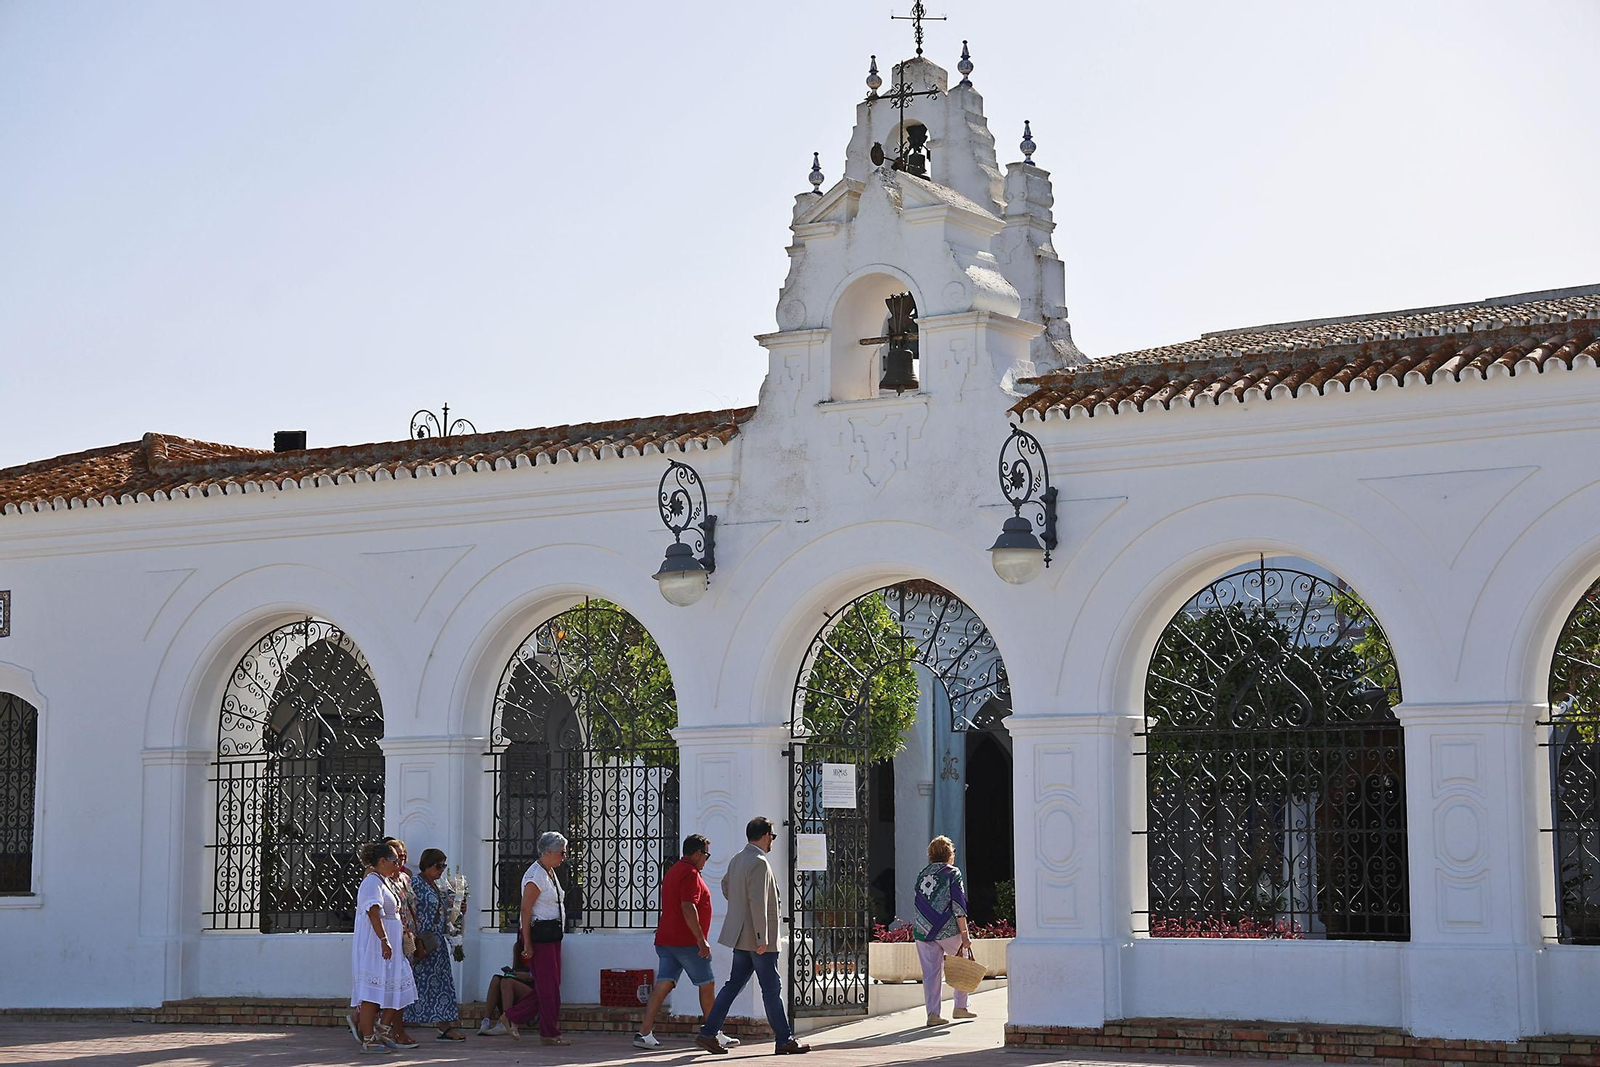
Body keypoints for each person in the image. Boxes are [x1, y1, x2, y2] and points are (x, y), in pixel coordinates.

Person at [695, 817, 809, 1056]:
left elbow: (726, 887)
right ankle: (784, 1038)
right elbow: (758, 901)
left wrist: (740, 911)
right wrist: (761, 937)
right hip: (759, 940)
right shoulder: (759, 862)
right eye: (773, 837)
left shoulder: (738, 859)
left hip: (741, 937)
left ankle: (708, 1033)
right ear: (766, 835)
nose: (773, 842)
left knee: (733, 985)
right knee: (771, 988)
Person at [634, 834, 739, 1050]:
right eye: (706, 855)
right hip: (687, 942)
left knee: (664, 983)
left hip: (666, 940)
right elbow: (688, 907)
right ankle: (712, 1033)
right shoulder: (690, 874)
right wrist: (701, 940)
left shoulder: (674, 870)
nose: (706, 860)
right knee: (707, 984)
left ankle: (644, 1032)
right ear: (699, 853)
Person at [347, 840, 418, 1054]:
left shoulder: (385, 881)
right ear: (381, 861)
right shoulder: (372, 882)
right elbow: (373, 912)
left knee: (401, 985)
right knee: (372, 992)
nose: (398, 864)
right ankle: (368, 1039)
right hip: (376, 947)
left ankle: (384, 1028)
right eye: (394, 861)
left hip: (392, 947)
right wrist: (384, 940)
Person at [505, 830, 572, 1045]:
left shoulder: (549, 872)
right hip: (540, 937)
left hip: (552, 936)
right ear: (549, 852)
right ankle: (547, 1032)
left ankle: (519, 1020)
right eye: (562, 852)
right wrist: (528, 943)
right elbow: (525, 910)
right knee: (547, 986)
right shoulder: (536, 876)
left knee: (551, 985)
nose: (564, 856)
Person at [912, 835, 976, 1027]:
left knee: (931, 974)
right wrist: (965, 933)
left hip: (923, 930)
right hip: (947, 929)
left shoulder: (922, 874)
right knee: (961, 962)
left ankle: (933, 1014)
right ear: (949, 854)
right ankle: (960, 1007)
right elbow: (958, 904)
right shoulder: (952, 873)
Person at [403, 848, 465, 1040]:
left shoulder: (435, 886)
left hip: (436, 943)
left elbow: (442, 913)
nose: (441, 870)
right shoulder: (417, 884)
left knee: (442, 986)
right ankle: (388, 1024)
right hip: (424, 942)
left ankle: (444, 1026)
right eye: (438, 866)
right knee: (413, 986)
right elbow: (409, 910)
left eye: (443, 866)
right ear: (427, 864)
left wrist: (457, 907)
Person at [382, 837, 422, 1047]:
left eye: (403, 856)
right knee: (389, 985)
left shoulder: (405, 878)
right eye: (397, 857)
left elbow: (412, 907)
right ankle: (386, 1029)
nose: (400, 861)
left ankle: (393, 1029)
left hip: (406, 938)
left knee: (401, 986)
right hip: (390, 938)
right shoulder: (380, 879)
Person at [478, 938, 535, 1037]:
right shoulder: (518, 947)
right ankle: (486, 1021)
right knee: (496, 979)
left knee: (507, 982)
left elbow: (540, 975)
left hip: (532, 987)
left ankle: (505, 1021)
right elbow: (516, 967)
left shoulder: (540, 948)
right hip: (519, 980)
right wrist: (514, 973)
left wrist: (523, 975)